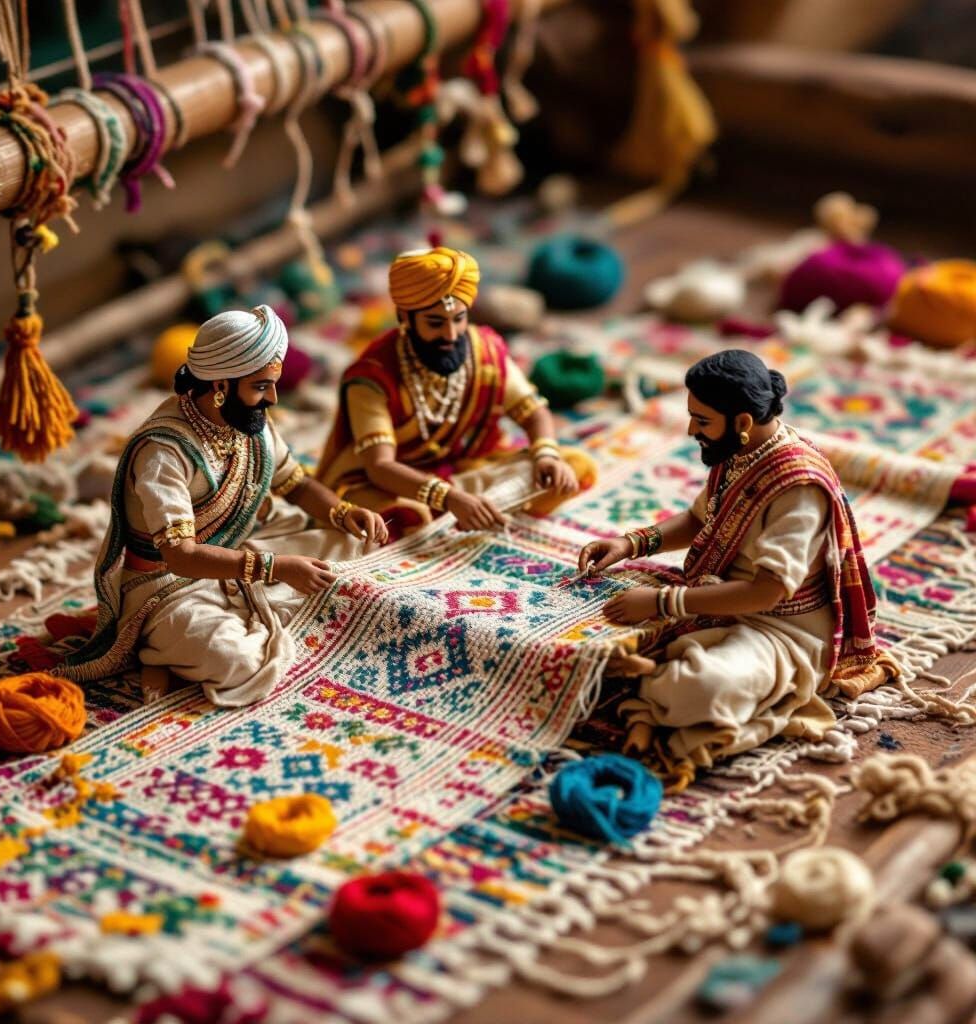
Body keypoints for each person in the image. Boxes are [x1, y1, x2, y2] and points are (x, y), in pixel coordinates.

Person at [578, 349, 897, 788]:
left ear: (743, 421)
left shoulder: (797, 487)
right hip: (718, 598)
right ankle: (655, 680)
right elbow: (698, 520)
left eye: (702, 421)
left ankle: (653, 685)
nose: (692, 430)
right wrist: (632, 543)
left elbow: (767, 592)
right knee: (592, 632)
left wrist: (662, 602)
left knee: (705, 688)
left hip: (784, 632)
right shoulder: (739, 453)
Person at [61, 305, 388, 706]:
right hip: (169, 589)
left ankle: (244, 616)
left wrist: (342, 511)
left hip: (240, 551)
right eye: (261, 386)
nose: (273, 397)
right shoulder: (164, 452)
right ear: (220, 384)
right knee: (239, 661)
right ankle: (154, 648)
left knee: (359, 544)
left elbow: (296, 484)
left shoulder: (247, 419)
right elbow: (180, 556)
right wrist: (276, 568)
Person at [315, 246, 589, 532]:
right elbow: (380, 467)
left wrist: (547, 455)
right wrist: (449, 498)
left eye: (459, 319)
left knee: (572, 465)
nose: (450, 334)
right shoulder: (373, 376)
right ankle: (464, 512)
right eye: (435, 323)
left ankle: (469, 512)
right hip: (401, 484)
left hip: (473, 470)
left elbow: (533, 413)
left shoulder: (485, 351)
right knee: (378, 515)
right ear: (405, 317)